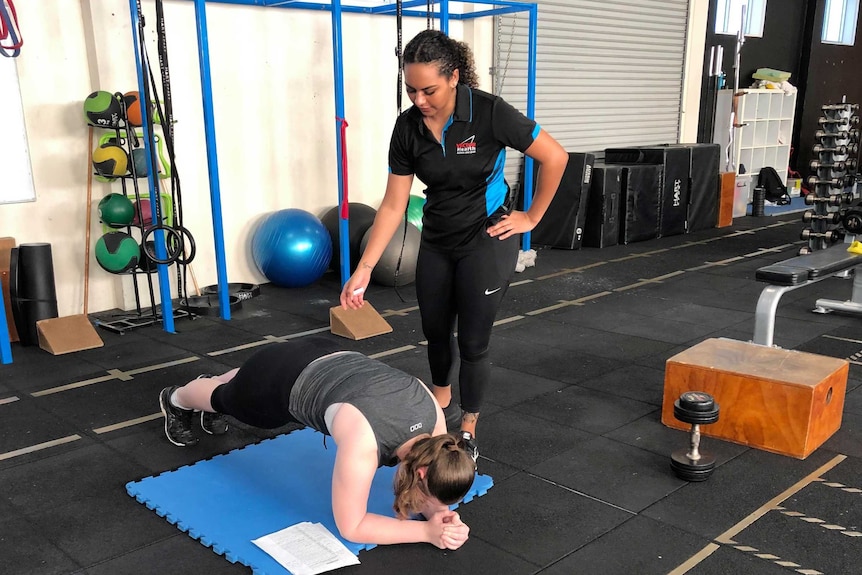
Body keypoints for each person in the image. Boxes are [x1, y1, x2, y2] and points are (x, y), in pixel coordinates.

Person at [340, 30, 569, 459]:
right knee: (434, 331)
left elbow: (555, 157)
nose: (419, 99)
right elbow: (392, 204)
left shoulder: (488, 112)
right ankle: (440, 407)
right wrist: (366, 267)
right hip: (438, 241)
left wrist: (531, 218)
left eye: (429, 90)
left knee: (473, 342)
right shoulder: (408, 126)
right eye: (411, 89)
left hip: (486, 239)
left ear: (454, 77)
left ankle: (468, 429)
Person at [158, 336, 474, 550]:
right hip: (279, 381)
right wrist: (425, 533)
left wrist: (440, 517)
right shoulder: (364, 440)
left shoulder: (436, 425)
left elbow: (431, 486)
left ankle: (230, 385)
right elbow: (352, 526)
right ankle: (177, 398)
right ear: (420, 474)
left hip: (324, 353)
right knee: (224, 399)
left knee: (245, 384)